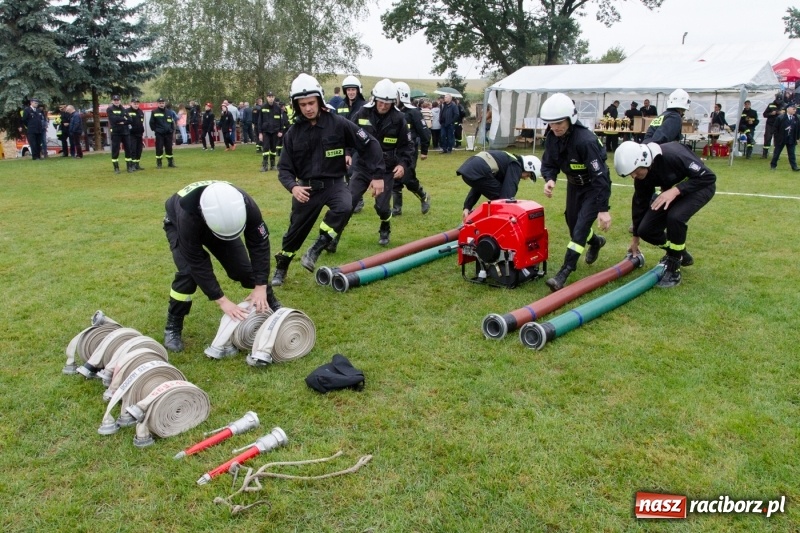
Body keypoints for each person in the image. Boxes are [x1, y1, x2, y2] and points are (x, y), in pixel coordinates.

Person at [272, 73, 385, 285]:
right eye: (303, 104)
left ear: (319, 100)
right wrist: (293, 187)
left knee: (345, 205)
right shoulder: (292, 134)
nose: (308, 108)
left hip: (335, 184)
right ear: (296, 106)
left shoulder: (339, 124)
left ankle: (318, 247)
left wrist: (378, 176)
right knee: (293, 234)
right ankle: (282, 267)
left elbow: (370, 144)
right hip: (306, 189)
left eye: (311, 103)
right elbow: (284, 169)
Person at [162, 181, 281, 352]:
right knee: (188, 274)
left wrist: (261, 286)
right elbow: (198, 264)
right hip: (178, 225)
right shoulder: (187, 218)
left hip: (222, 226)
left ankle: (271, 302)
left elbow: (259, 245)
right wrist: (222, 301)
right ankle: (173, 326)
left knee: (243, 270)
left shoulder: (245, 204)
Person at [614, 141, 716, 288]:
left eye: (636, 171)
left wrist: (675, 190)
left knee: (675, 217)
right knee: (646, 230)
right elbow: (639, 204)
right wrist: (635, 238)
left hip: (700, 186)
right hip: (673, 192)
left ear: (645, 161)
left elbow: (708, 177)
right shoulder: (641, 178)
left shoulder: (673, 156)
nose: (634, 176)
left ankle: (674, 268)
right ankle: (680, 253)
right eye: (630, 173)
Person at [538, 92, 612, 292]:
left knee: (579, 230)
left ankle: (564, 271)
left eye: (559, 123)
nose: (555, 127)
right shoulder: (552, 138)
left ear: (570, 118)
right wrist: (550, 179)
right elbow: (549, 163)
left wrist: (603, 209)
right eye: (551, 124)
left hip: (592, 188)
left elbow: (600, 176)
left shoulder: (585, 141)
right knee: (573, 225)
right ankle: (596, 242)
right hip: (574, 186)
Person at [346, 78, 414, 247]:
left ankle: (385, 225)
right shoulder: (362, 113)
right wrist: (347, 152)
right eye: (381, 102)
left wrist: (402, 165)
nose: (383, 106)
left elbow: (408, 147)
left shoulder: (399, 119)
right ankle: (334, 237)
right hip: (362, 166)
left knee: (382, 207)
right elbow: (348, 134)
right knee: (348, 202)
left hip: (386, 169)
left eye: (387, 103)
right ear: (374, 99)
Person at [458, 151, 541, 221]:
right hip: (479, 169)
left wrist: (467, 206)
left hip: (468, 169)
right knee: (502, 201)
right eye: (529, 175)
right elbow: (508, 193)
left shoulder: (509, 159)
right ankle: (489, 224)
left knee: (499, 199)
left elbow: (479, 185)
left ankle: (471, 215)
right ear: (527, 166)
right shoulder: (516, 165)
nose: (526, 178)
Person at [393, 81, 432, 216]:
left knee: (408, 179)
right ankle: (396, 209)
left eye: (395, 95)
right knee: (395, 178)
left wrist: (425, 150)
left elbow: (425, 132)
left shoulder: (413, 112)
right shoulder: (392, 112)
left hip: (410, 151)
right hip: (394, 151)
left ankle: (424, 196)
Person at [258, 91, 286, 171]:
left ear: (274, 98)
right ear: (267, 98)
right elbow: (260, 121)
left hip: (275, 131)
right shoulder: (263, 107)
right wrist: (260, 133)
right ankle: (265, 165)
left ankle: (273, 165)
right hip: (266, 132)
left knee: (273, 149)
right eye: (269, 97)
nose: (271, 98)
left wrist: (281, 131)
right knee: (266, 148)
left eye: (272, 97)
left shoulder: (277, 108)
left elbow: (281, 120)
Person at [769, 102, 800, 171]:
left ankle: (794, 167)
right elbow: (775, 128)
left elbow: (797, 129)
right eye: (793, 109)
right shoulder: (781, 117)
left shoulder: (796, 118)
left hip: (791, 138)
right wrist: (777, 138)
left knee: (792, 154)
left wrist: (797, 138)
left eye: (795, 109)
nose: (795, 110)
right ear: (788, 109)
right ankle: (773, 165)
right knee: (777, 153)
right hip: (781, 138)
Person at [149, 97, 177, 168]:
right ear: (158, 103)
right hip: (159, 134)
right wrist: (156, 130)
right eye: (160, 103)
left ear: (164, 103)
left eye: (163, 103)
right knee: (159, 148)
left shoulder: (169, 112)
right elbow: (151, 123)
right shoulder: (154, 112)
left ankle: (170, 162)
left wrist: (171, 130)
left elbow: (171, 122)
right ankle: (159, 163)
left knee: (169, 148)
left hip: (168, 133)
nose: (161, 104)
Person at [108, 95, 132, 173]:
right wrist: (123, 118)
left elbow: (130, 120)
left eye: (118, 100)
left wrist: (122, 121)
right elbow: (113, 119)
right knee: (115, 150)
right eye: (115, 100)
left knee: (128, 149)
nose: (116, 101)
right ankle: (116, 168)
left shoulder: (124, 109)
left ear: (120, 100)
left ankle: (129, 167)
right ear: (112, 101)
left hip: (125, 132)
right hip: (116, 132)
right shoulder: (110, 109)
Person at [126, 97, 145, 170]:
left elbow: (141, 122)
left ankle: (137, 164)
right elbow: (126, 122)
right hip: (131, 134)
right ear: (131, 103)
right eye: (134, 103)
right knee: (132, 150)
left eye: (137, 104)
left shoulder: (140, 112)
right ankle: (132, 165)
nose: (136, 105)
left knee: (139, 150)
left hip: (139, 134)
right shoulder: (127, 111)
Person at [762, 93, 782, 159]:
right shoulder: (771, 105)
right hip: (770, 124)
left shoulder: (784, 105)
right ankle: (765, 154)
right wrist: (771, 113)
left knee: (777, 140)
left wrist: (781, 113)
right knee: (767, 138)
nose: (778, 102)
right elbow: (764, 114)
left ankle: (776, 155)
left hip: (779, 125)